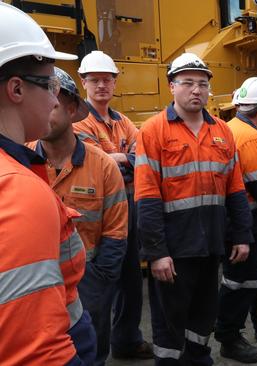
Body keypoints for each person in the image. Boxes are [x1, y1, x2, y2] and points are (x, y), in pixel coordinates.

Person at [135, 52, 253, 365]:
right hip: (174, 250)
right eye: (187, 83)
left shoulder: (223, 131)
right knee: (170, 319)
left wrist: (241, 235)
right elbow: (146, 197)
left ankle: (199, 359)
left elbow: (236, 189)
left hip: (211, 246)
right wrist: (156, 252)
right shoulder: (153, 130)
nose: (196, 90)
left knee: (204, 315)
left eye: (202, 84)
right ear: (172, 86)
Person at [0, 2, 89, 365]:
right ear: (16, 89)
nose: (56, 99)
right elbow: (36, 352)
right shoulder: (17, 191)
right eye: (50, 83)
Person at [29, 67, 128, 366]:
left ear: (72, 110)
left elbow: (116, 233)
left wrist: (97, 286)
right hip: (34, 288)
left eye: (54, 102)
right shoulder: (19, 162)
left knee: (92, 354)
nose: (45, 111)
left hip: (88, 287)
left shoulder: (103, 167)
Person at [73, 50, 152, 360]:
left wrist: (122, 159)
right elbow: (99, 164)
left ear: (115, 82)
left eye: (107, 80)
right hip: (98, 213)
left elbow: (141, 154)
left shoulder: (122, 121)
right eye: (95, 80)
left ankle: (127, 339)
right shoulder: (79, 123)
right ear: (84, 82)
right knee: (100, 286)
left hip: (129, 208)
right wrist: (122, 158)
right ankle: (97, 351)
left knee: (132, 280)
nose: (102, 85)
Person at [214, 77, 257, 363]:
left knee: (254, 276)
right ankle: (229, 335)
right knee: (242, 280)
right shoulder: (251, 137)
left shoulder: (230, 128)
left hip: (232, 217)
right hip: (249, 220)